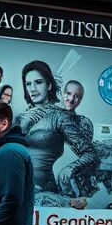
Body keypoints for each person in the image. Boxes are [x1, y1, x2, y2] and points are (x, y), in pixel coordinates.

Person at [16, 60, 97, 200]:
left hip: (42, 194)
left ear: (49, 86)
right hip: (14, 189)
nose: (33, 88)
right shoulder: (19, 118)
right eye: (28, 84)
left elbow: (90, 154)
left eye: (38, 82)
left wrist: (69, 169)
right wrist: (23, 125)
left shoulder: (59, 116)